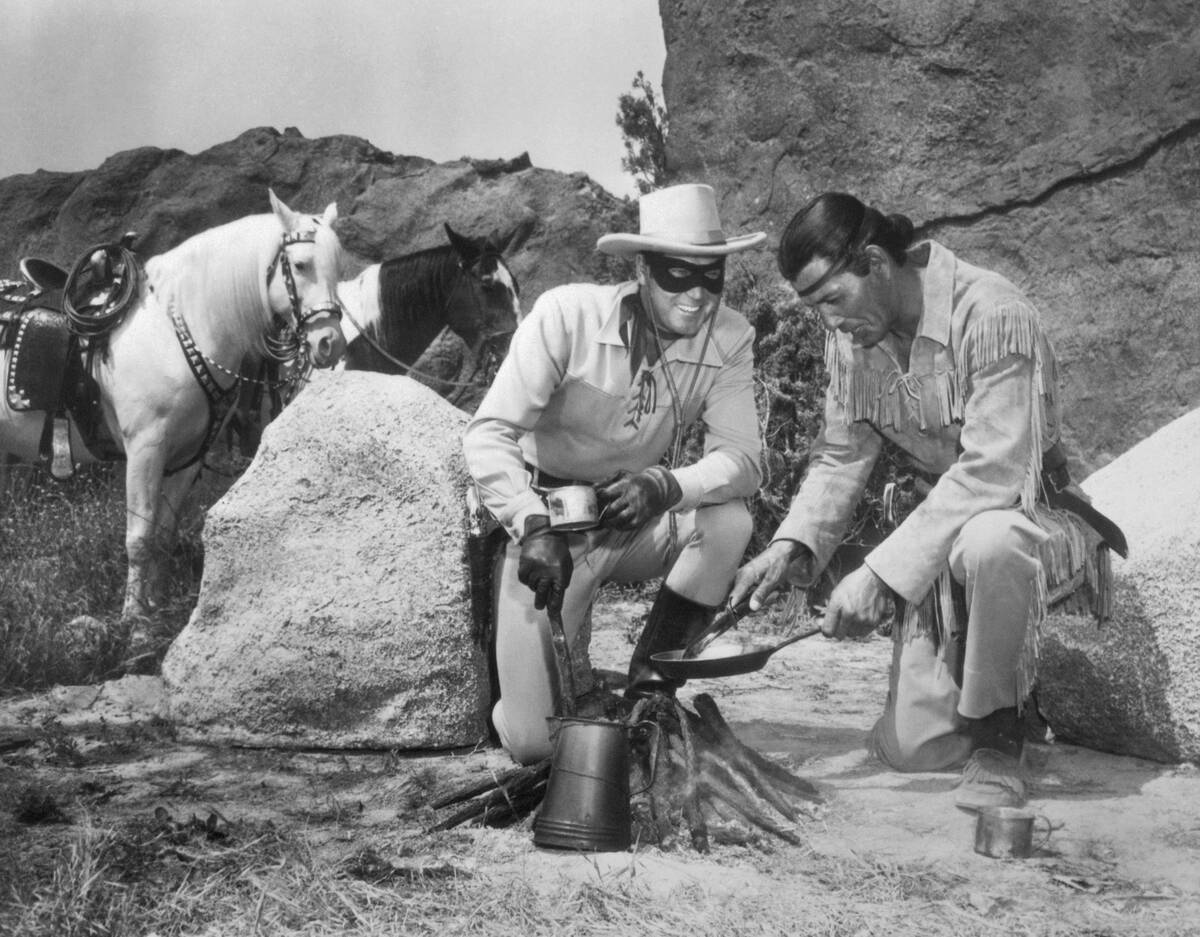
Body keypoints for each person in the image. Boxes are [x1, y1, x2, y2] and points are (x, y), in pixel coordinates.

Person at [731, 192, 1120, 811]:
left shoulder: (993, 313)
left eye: (832, 299)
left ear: (876, 264)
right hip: (937, 543)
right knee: (916, 750)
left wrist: (879, 576)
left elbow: (994, 472)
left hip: (1024, 516)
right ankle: (989, 676)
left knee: (991, 541)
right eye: (814, 307)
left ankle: (1000, 734)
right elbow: (840, 457)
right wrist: (790, 546)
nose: (828, 322)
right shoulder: (855, 342)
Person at [463, 183, 766, 765]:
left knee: (729, 521)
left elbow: (743, 459)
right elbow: (488, 433)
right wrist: (530, 523)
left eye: (712, 277)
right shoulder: (567, 317)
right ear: (643, 270)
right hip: (552, 537)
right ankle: (520, 682)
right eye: (678, 274)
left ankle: (651, 690)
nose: (697, 294)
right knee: (533, 744)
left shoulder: (730, 337)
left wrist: (665, 485)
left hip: (634, 522)